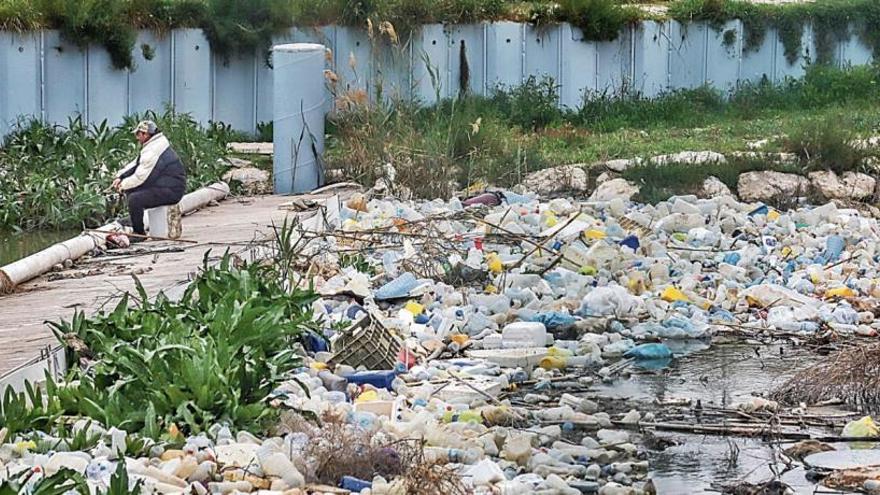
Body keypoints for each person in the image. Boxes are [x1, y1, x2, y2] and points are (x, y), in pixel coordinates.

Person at [112, 120, 186, 242]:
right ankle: (136, 223)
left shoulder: (153, 150)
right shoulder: (154, 145)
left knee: (135, 199)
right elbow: (136, 164)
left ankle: (139, 233)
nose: (137, 138)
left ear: (145, 134)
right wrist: (120, 177)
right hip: (164, 186)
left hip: (172, 191)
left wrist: (122, 186)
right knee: (132, 193)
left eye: (138, 134)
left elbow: (140, 177)